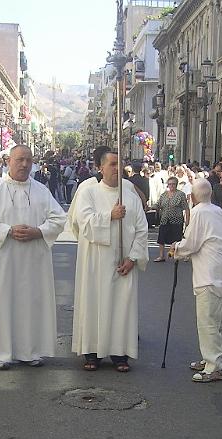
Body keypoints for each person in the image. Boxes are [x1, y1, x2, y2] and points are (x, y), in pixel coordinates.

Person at [0, 145, 66, 369]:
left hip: (33, 261)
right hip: (1, 260)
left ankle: (30, 350)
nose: (24, 164)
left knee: (30, 303)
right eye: (19, 159)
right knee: (1, 302)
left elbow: (59, 218)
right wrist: (7, 231)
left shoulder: (41, 191)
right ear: (8, 162)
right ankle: (0, 353)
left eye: (28, 160)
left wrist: (38, 231)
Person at [71, 150, 149, 372]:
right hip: (95, 263)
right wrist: (110, 216)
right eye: (112, 164)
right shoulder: (89, 193)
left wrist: (133, 258)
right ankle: (92, 352)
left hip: (123, 263)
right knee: (94, 303)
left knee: (120, 306)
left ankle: (119, 353)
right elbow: (82, 223)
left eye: (120, 164)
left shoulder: (131, 196)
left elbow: (142, 230)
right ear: (101, 168)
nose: (117, 168)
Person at [171, 178, 222, 382]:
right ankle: (212, 359)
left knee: (207, 322)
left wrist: (176, 249)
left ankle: (214, 365)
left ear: (192, 197)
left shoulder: (198, 213)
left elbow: (191, 243)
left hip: (209, 273)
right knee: (218, 322)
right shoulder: (218, 212)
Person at [154, 176, 189, 262]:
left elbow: (186, 208)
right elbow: (158, 205)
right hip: (165, 219)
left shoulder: (181, 194)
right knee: (161, 238)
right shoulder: (164, 195)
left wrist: (187, 220)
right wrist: (150, 207)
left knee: (177, 238)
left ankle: (177, 254)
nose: (171, 186)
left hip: (176, 220)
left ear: (176, 185)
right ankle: (161, 256)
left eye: (173, 184)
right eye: (169, 184)